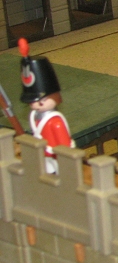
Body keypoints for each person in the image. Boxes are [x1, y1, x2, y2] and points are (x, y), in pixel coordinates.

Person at [19, 38, 74, 175]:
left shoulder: (56, 122)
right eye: (32, 102)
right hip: (45, 156)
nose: (35, 105)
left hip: (57, 158)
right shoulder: (35, 117)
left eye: (41, 101)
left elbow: (64, 145)